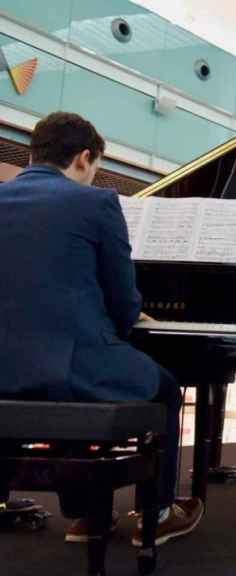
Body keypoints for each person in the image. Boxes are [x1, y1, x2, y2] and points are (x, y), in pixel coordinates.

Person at [0, 112, 202, 545]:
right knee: (166, 388)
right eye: (93, 169)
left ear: (34, 154)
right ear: (84, 158)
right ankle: (159, 513)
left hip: (4, 373)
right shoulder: (96, 203)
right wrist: (133, 317)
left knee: (76, 396)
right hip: (68, 367)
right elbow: (123, 301)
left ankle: (88, 516)